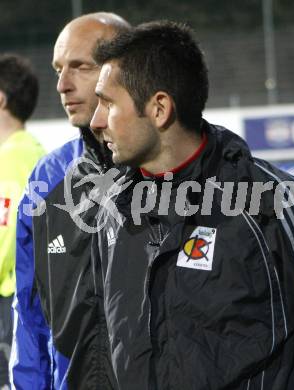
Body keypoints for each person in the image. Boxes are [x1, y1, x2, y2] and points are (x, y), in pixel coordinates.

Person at [90, 21, 294, 389]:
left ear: (160, 108)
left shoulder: (278, 204)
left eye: (107, 103)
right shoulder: (112, 211)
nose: (95, 121)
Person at [10, 13, 130, 390]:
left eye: (79, 67)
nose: (62, 84)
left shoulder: (164, 170)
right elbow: (29, 313)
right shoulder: (47, 178)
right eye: (58, 69)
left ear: (123, 71)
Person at [0, 54, 45, 388]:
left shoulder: (8, 159)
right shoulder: (39, 153)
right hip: (33, 298)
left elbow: (5, 237)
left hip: (8, 303)